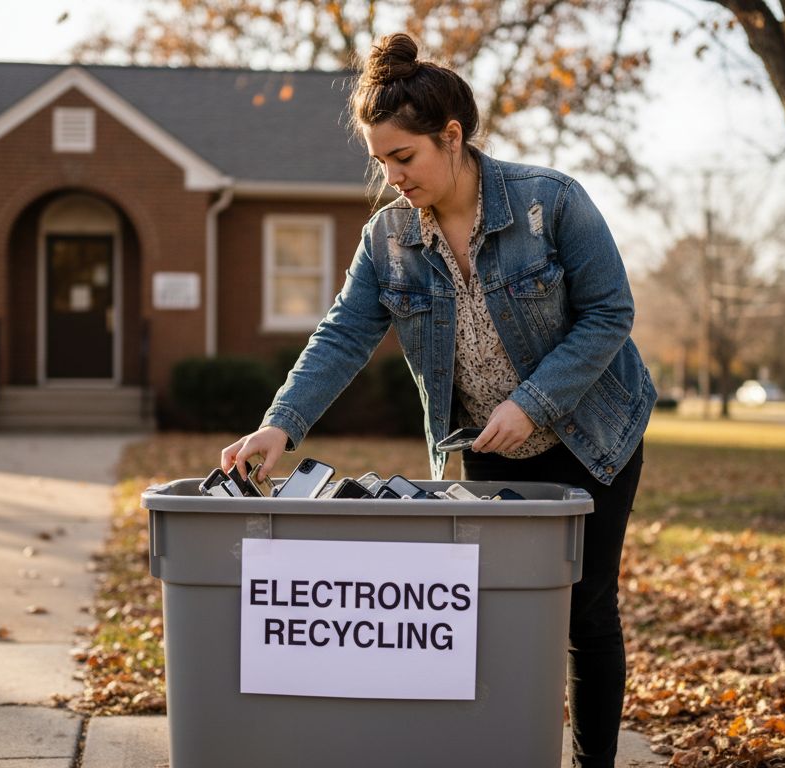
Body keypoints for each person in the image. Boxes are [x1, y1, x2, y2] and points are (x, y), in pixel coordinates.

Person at [221, 32, 655, 768]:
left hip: (592, 434)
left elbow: (611, 313)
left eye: (404, 157)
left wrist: (534, 403)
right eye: (380, 161)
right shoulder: (388, 240)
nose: (391, 177)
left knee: (585, 612)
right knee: (489, 615)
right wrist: (278, 426)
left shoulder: (552, 204)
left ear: (451, 137)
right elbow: (343, 336)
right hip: (486, 447)